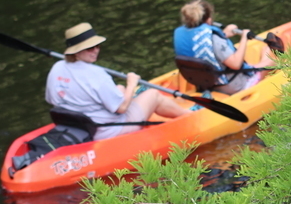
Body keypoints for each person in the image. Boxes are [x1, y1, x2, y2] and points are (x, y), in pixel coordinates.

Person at [47, 22, 191, 140]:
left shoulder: (57, 68)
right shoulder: (96, 74)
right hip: (108, 131)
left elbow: (52, 100)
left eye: (97, 45)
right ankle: (190, 117)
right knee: (154, 94)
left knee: (119, 88)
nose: (96, 50)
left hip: (80, 125)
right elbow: (121, 108)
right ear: (76, 51)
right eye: (90, 48)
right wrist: (132, 83)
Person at [173, 0, 276, 94]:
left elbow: (204, 47)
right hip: (232, 86)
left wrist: (224, 34)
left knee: (266, 49)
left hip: (205, 84)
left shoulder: (182, 34)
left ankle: (266, 54)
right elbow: (235, 64)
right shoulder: (214, 39)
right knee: (273, 62)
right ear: (209, 20)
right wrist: (244, 37)